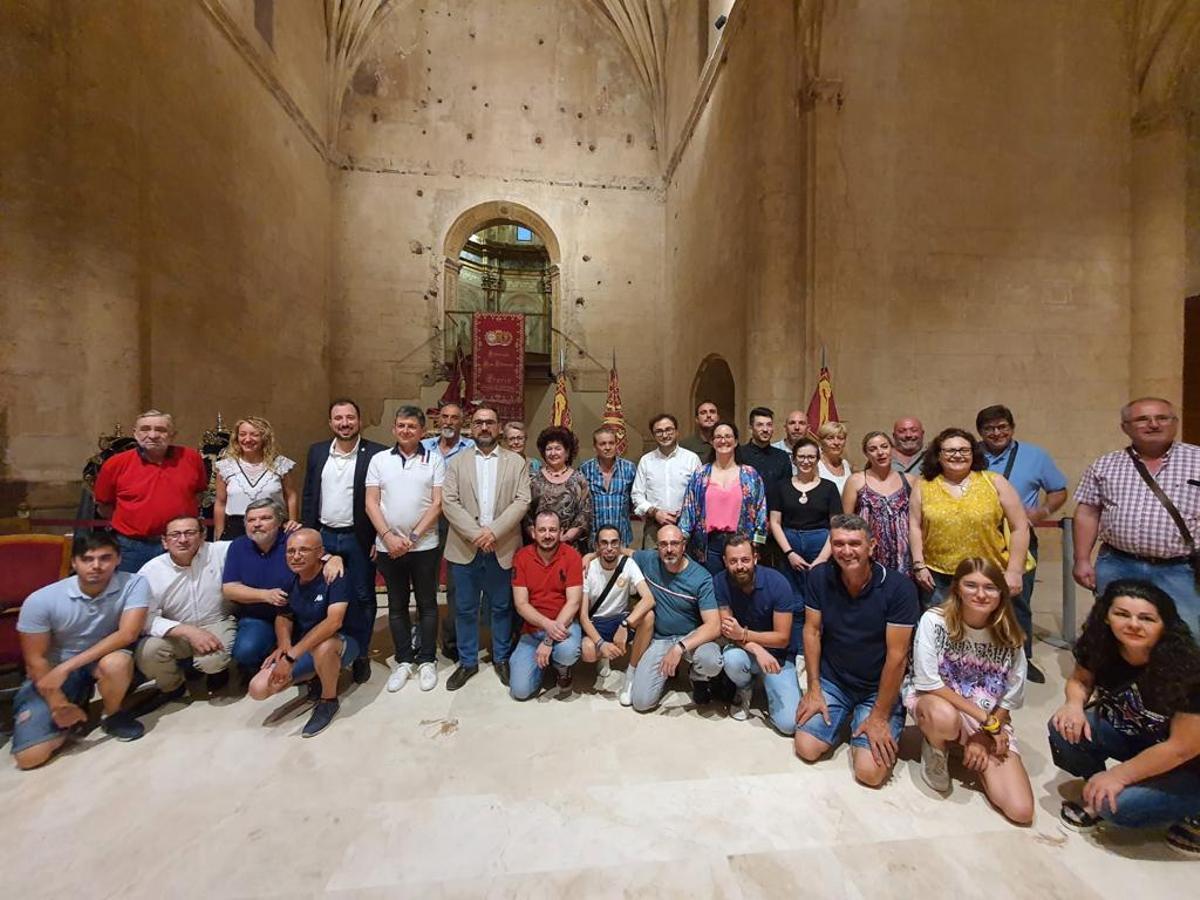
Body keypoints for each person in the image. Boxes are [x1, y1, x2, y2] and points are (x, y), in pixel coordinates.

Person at [1048, 579, 1200, 854]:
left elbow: (1182, 748)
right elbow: (1081, 680)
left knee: (1115, 808)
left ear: (1165, 623)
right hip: (1144, 737)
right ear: (1106, 617)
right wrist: (1073, 705)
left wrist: (1120, 774)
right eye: (1121, 614)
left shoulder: (1188, 668)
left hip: (1189, 762)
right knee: (1063, 727)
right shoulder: (1100, 643)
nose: (1133, 624)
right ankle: (1099, 789)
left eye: (1146, 618)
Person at [794, 515, 919, 786]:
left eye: (854, 543)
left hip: (877, 687)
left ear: (871, 546)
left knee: (869, 774)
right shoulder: (819, 577)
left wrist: (879, 715)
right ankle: (846, 717)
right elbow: (812, 631)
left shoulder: (899, 589)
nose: (846, 551)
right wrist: (814, 688)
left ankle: (862, 724)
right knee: (806, 747)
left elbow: (898, 658)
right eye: (838, 543)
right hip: (835, 680)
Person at [908, 558, 1033, 825]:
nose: (980, 594)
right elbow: (929, 682)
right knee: (943, 717)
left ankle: (966, 750)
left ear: (1001, 593)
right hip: (941, 702)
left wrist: (985, 737)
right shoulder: (934, 621)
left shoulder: (1011, 635)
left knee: (1020, 810)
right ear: (957, 589)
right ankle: (936, 746)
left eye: (990, 587)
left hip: (989, 719)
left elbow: (1009, 697)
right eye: (971, 585)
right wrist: (986, 723)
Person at [12, 532, 150, 769]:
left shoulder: (134, 583)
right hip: (54, 670)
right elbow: (35, 659)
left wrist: (69, 666)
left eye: (105, 558)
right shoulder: (41, 600)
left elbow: (127, 634)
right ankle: (71, 713)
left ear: (118, 559)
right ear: (74, 563)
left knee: (117, 663)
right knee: (29, 758)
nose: (96, 566)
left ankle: (112, 714)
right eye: (87, 559)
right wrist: (58, 704)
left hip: (96, 661)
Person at [1072, 397, 1200, 637]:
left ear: (1175, 423)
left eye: (1162, 418)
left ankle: (1177, 676)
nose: (1153, 424)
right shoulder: (1105, 465)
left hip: (1180, 569)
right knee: (1114, 632)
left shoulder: (1198, 460)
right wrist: (1081, 559)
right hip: (1118, 564)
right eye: (1142, 419)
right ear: (1125, 427)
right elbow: (1088, 512)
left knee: (1186, 633)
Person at [441, 405, 531, 690]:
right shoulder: (457, 462)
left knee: (501, 607)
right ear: (471, 427)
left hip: (502, 547)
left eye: (490, 422)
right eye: (479, 422)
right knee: (465, 608)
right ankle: (468, 662)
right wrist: (476, 534)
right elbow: (449, 502)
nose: (484, 427)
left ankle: (502, 658)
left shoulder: (516, 463)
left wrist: (493, 532)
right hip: (465, 547)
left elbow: (522, 500)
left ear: (498, 427)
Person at [977, 404, 1068, 683]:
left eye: (1002, 426)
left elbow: (1058, 490)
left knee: (1018, 599)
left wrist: (1040, 513)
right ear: (980, 432)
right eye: (989, 428)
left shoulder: (1035, 455)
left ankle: (1021, 658)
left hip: (1019, 538)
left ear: (1012, 428)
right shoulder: (970, 454)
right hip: (978, 539)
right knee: (977, 599)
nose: (996, 433)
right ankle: (979, 658)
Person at [247, 530, 365, 738]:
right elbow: (284, 616)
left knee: (324, 646)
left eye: (303, 550)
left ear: (320, 552)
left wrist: (291, 657)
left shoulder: (334, 576)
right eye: (291, 551)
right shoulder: (290, 580)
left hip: (343, 642)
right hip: (303, 648)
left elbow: (333, 622)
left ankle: (328, 700)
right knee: (258, 688)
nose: (296, 556)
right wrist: (284, 646)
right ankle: (315, 675)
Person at [300, 398, 386, 683]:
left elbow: (381, 500)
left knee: (363, 596)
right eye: (338, 418)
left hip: (358, 537)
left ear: (359, 421)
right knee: (324, 594)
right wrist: (308, 534)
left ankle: (360, 654)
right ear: (330, 422)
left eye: (350, 417)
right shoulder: (317, 452)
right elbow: (310, 494)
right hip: (324, 535)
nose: (344, 423)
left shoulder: (376, 454)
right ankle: (325, 650)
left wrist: (376, 536)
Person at [365, 405, 444, 694]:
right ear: (394, 429)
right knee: (397, 606)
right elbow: (371, 502)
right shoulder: (379, 460)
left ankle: (426, 659)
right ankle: (403, 660)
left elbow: (437, 503)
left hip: (424, 545)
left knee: (427, 604)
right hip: (388, 546)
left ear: (422, 430)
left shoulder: (434, 460)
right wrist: (387, 536)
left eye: (412, 426)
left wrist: (411, 537)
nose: (406, 430)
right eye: (401, 426)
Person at [908, 428, 1031, 609]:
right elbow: (915, 527)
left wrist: (1014, 571)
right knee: (943, 632)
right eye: (950, 450)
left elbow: (1019, 527)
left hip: (989, 575)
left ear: (973, 453)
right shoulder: (923, 485)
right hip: (939, 578)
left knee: (990, 633)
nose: (957, 455)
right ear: (938, 455)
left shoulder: (994, 482)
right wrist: (919, 565)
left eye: (964, 450)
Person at [223, 499, 332, 673]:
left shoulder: (293, 540)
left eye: (265, 518)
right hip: (259, 617)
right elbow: (229, 589)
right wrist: (265, 595)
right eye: (251, 520)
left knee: (309, 657)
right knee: (245, 651)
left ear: (280, 521)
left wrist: (335, 560)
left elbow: (323, 557)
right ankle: (260, 660)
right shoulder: (238, 546)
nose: (257, 524)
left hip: (299, 615)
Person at [93, 409, 208, 572]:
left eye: (161, 430)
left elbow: (198, 495)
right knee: (133, 594)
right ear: (135, 433)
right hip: (133, 547)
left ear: (172, 435)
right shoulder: (115, 464)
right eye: (145, 429)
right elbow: (104, 506)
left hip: (181, 543)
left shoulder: (191, 458)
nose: (153, 435)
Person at [134, 515, 237, 698]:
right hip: (177, 629)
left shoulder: (220, 552)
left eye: (190, 533)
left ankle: (215, 671)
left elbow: (255, 542)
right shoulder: (151, 571)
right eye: (175, 535)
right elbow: (144, 618)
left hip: (215, 622)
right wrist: (186, 631)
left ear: (203, 535)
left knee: (213, 662)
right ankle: (173, 686)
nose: (183, 539)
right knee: (148, 651)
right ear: (165, 541)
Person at [628, 525, 723, 710]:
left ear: (683, 545)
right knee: (641, 703)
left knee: (710, 661)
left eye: (674, 543)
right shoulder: (649, 560)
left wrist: (679, 648)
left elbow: (714, 626)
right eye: (663, 544)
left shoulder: (701, 578)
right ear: (657, 547)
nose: (669, 549)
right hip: (661, 639)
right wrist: (589, 556)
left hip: (692, 638)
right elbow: (623, 553)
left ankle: (698, 676)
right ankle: (666, 673)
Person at [716, 534, 800, 732]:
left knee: (789, 725)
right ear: (725, 562)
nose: (740, 566)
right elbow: (729, 632)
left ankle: (772, 684)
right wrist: (756, 648)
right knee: (732, 659)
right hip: (745, 651)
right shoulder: (719, 582)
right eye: (733, 561)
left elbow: (782, 638)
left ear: (755, 558)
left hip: (778, 655)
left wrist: (744, 635)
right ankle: (744, 687)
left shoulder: (778, 583)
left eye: (745, 560)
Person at [421, 402, 476, 661]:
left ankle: (453, 639)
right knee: (425, 584)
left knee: (457, 586)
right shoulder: (423, 448)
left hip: (458, 524)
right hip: (426, 523)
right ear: (437, 420)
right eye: (445, 417)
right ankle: (424, 640)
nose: (449, 422)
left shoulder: (472, 449)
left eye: (455, 418)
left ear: (462, 422)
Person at [509, 511, 584, 699]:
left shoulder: (572, 556)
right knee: (520, 691)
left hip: (564, 625)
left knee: (567, 652)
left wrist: (549, 639)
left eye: (553, 530)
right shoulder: (522, 557)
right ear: (533, 532)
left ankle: (561, 666)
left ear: (561, 532)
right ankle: (543, 663)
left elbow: (574, 602)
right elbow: (521, 604)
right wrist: (547, 626)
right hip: (533, 629)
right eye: (542, 530)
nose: (548, 535)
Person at [579, 525, 655, 705]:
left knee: (648, 616)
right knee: (589, 652)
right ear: (597, 546)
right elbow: (582, 616)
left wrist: (625, 625)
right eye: (604, 543)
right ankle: (604, 656)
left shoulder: (628, 563)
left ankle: (631, 673)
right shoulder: (589, 569)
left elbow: (649, 598)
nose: (609, 547)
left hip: (620, 618)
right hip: (597, 621)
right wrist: (601, 644)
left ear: (620, 544)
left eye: (614, 543)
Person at [679, 421, 768, 574]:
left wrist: (757, 544)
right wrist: (680, 541)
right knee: (712, 590)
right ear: (712, 442)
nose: (723, 440)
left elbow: (761, 512)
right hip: (708, 546)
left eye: (728, 436)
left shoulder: (750, 475)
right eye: (718, 437)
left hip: (741, 545)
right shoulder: (700, 475)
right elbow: (689, 511)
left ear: (736, 441)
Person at [769, 438, 838, 604]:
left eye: (811, 457)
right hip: (788, 545)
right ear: (793, 459)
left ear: (817, 459)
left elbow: (836, 526)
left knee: (820, 596)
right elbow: (775, 522)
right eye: (801, 456)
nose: (806, 461)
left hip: (821, 546)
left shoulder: (829, 487)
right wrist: (789, 553)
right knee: (791, 598)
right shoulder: (781, 487)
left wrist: (822, 559)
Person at [214, 416, 298, 540]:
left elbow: (291, 495)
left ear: (264, 437)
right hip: (236, 530)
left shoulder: (280, 464)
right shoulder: (226, 467)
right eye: (242, 434)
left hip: (273, 528)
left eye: (254, 435)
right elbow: (220, 503)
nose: (247, 439)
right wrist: (219, 534)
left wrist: (293, 522)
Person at [843, 431, 912, 575]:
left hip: (904, 557)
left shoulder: (910, 480)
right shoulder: (856, 480)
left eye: (884, 447)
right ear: (866, 454)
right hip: (868, 554)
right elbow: (846, 523)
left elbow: (919, 522)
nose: (880, 452)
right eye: (873, 449)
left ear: (892, 449)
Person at [631, 413, 701, 549]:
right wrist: (655, 512)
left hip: (685, 524)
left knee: (684, 565)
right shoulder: (646, 461)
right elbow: (637, 495)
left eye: (668, 429)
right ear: (653, 434)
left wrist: (686, 512)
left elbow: (699, 493)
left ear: (677, 431)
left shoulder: (691, 459)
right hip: (654, 526)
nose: (664, 435)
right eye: (659, 431)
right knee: (652, 566)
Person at [526, 426, 592, 552]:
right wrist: (534, 533)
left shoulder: (578, 479)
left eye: (558, 448)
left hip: (570, 545)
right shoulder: (534, 479)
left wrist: (568, 536)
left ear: (567, 453)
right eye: (549, 449)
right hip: (539, 544)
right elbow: (526, 511)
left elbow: (585, 512)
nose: (553, 453)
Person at [578, 427, 636, 546]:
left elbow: (634, 500)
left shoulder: (629, 468)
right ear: (595, 447)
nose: (608, 447)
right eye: (602, 444)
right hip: (594, 539)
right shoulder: (584, 469)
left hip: (621, 537)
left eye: (611, 443)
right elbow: (581, 504)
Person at [740, 407, 792, 493]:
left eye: (769, 425)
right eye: (760, 425)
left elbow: (787, 490)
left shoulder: (782, 457)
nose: (765, 429)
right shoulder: (739, 454)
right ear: (750, 428)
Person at [815, 421, 853, 496]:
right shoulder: (815, 465)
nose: (836, 443)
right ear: (821, 442)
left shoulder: (846, 465)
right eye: (830, 438)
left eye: (840, 438)